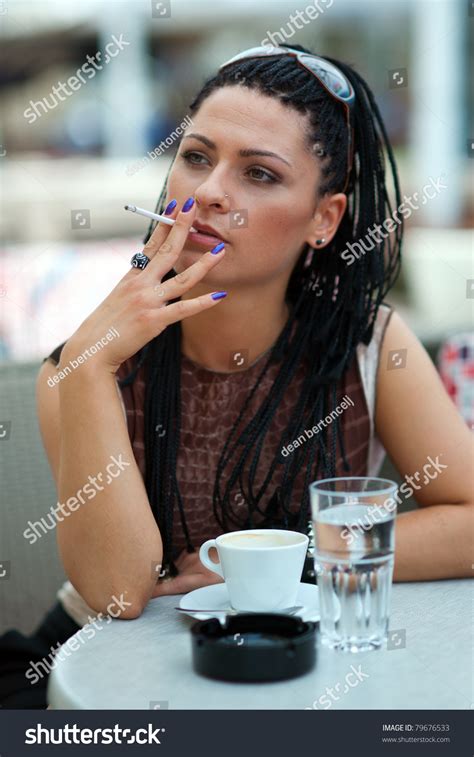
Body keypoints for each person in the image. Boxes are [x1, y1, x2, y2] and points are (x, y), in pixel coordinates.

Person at [1, 43, 472, 709]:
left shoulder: (367, 344)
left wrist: (279, 558)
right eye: (197, 157)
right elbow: (118, 592)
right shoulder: (85, 364)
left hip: (305, 665)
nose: (211, 192)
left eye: (259, 174)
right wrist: (88, 368)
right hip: (108, 672)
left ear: (324, 219)